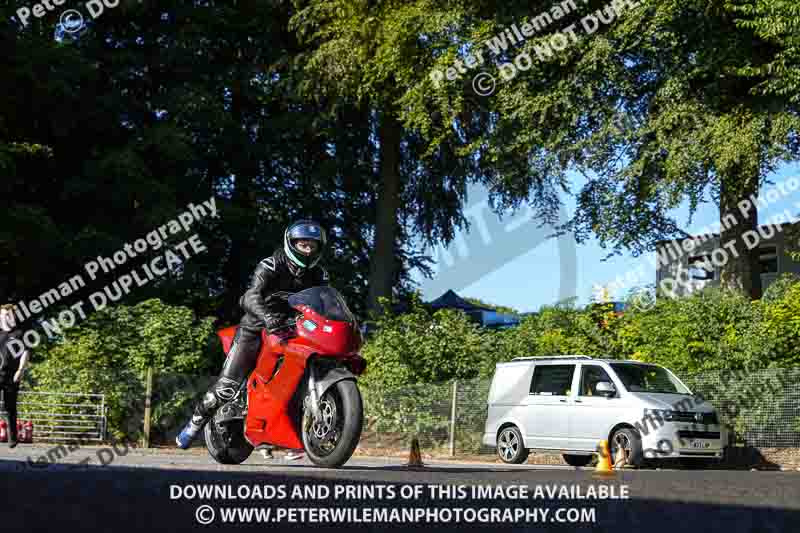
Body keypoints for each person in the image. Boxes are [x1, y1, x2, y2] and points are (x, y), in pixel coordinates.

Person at [176, 220, 329, 456]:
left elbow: (325, 302)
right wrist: (267, 316)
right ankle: (194, 423)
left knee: (302, 374)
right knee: (227, 387)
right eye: (303, 244)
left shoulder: (318, 274)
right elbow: (249, 297)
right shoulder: (270, 265)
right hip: (256, 328)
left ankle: (290, 434)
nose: (307, 249)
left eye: (312, 246)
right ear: (291, 244)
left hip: (293, 329)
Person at [0, 303, 31, 448]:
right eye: (3, 314)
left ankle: (13, 437)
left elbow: (25, 352)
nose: (6, 317)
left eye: (9, 315)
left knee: (10, 406)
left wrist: (20, 370)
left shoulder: (19, 333)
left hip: (11, 375)